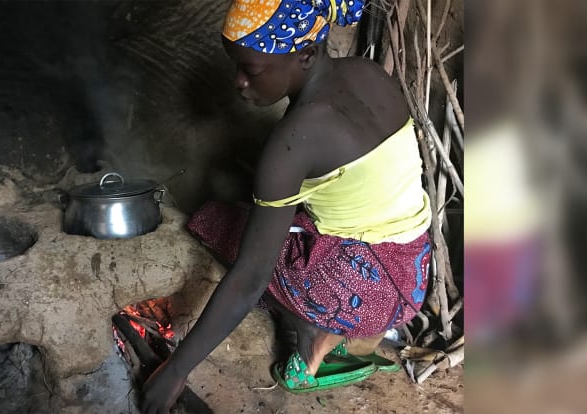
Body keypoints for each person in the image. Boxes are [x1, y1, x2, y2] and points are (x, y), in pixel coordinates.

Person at [141, 0, 432, 412]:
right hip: (413, 269)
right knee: (272, 216)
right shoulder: (367, 73)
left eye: (252, 70)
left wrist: (176, 370)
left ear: (306, 55)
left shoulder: (292, 142)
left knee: (212, 222)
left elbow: (250, 278)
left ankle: (313, 332)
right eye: (236, 67)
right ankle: (355, 323)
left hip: (366, 292)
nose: (239, 83)